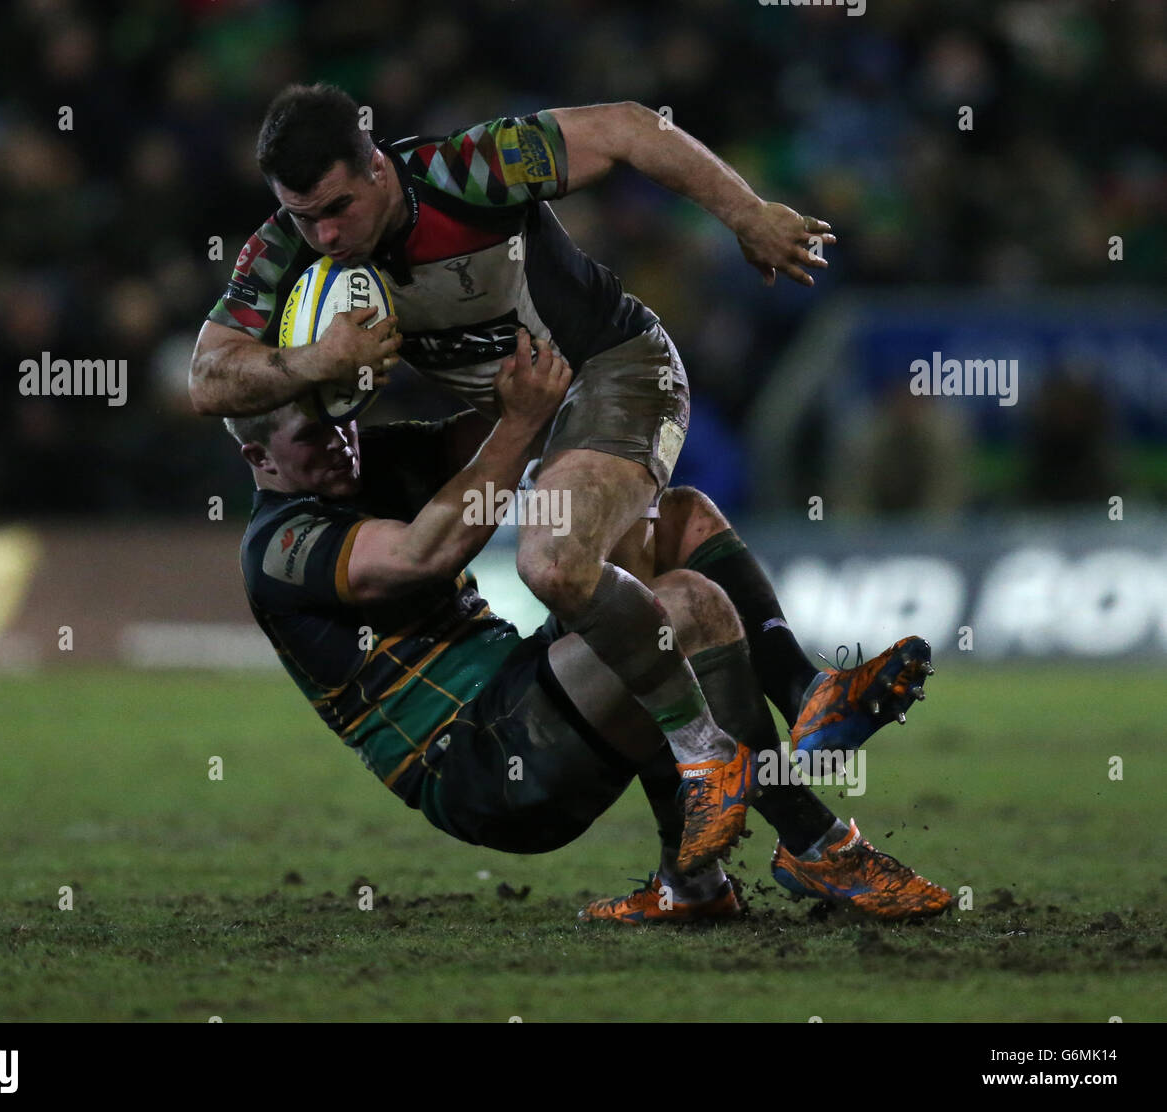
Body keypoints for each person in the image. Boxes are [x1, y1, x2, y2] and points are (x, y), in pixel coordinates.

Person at [192, 82, 904, 873]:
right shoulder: (291, 247)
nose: (324, 235)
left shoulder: (464, 171)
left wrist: (747, 213)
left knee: (552, 562)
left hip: (613, 367)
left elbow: (630, 129)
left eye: (336, 208)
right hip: (545, 421)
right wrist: (320, 360)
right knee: (661, 553)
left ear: (377, 170)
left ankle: (713, 757)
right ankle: (788, 749)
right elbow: (208, 379)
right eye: (302, 216)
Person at [226, 329, 949, 923]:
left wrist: (534, 363)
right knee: (689, 609)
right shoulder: (280, 546)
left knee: (676, 519)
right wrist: (517, 422)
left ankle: (784, 723)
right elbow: (423, 554)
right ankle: (814, 840)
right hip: (475, 764)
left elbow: (512, 437)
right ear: (258, 457)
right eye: (313, 438)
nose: (342, 442)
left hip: (521, 690)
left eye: (342, 417)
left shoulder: (367, 457)